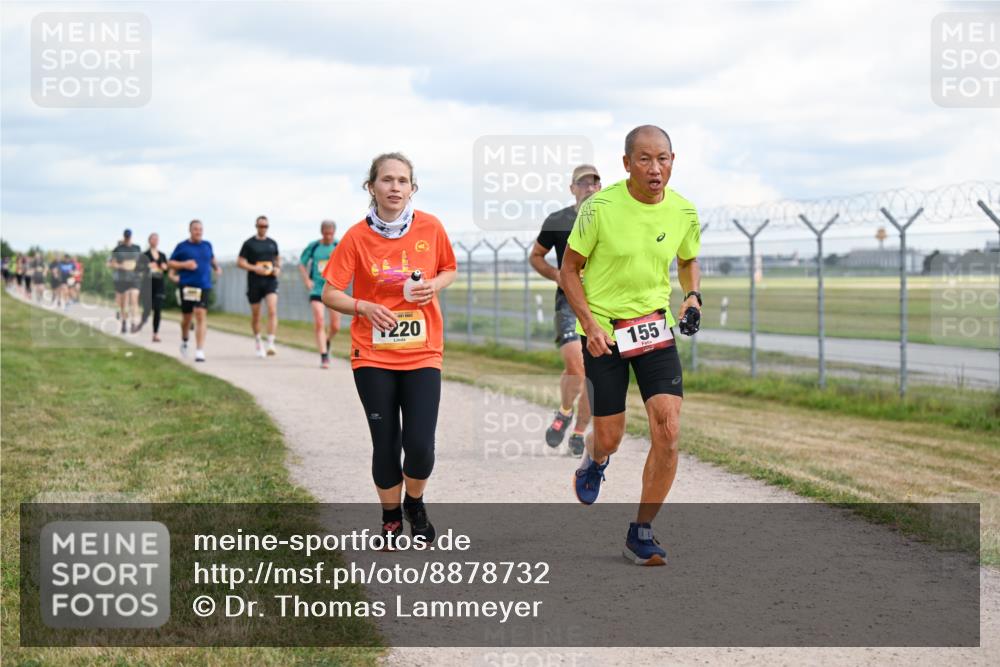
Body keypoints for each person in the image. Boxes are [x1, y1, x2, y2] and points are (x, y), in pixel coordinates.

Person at [560, 125, 702, 566]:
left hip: (655, 329)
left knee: (669, 429)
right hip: (604, 333)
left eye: (663, 158)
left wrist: (692, 295)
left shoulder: (684, 211)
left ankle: (641, 531)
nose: (655, 168)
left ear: (673, 161)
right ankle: (595, 460)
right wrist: (588, 324)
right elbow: (569, 270)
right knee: (610, 437)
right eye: (644, 159)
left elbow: (688, 258)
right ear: (626, 164)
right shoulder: (599, 209)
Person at [322, 152, 457, 543]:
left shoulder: (431, 228)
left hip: (423, 352)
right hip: (373, 354)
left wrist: (435, 285)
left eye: (402, 181)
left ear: (412, 188)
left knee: (419, 446)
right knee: (386, 442)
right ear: (371, 187)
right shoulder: (355, 237)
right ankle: (391, 516)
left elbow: (449, 268)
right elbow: (331, 292)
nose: (394, 187)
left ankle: (414, 500)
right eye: (386, 180)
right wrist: (363, 306)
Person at [530, 164, 601, 456]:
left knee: (594, 373)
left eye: (595, 183)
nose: (590, 188)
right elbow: (536, 256)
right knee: (576, 366)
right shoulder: (558, 220)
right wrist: (557, 275)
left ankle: (580, 430)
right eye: (583, 183)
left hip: (603, 305)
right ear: (572, 188)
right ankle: (565, 410)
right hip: (569, 302)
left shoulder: (611, 218)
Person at [169, 220, 221, 362]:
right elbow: (170, 262)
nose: (198, 232)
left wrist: (217, 268)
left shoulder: (207, 245)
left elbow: (212, 258)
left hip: (203, 285)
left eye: (200, 229)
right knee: (187, 319)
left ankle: (199, 350)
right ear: (190, 231)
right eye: (195, 229)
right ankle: (185, 340)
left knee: (200, 314)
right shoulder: (182, 246)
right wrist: (184, 264)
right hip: (187, 286)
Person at [237, 215, 281, 358]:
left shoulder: (272, 243)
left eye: (265, 226)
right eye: (261, 226)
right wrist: (255, 268)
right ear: (256, 226)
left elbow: (277, 258)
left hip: (270, 281)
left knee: (272, 309)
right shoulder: (249, 243)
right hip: (255, 281)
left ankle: (271, 343)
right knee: (256, 315)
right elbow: (240, 262)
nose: (263, 228)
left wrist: (277, 268)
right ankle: (258, 340)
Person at [299, 220, 341, 368]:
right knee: (319, 320)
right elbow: (301, 263)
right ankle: (324, 356)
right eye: (326, 233)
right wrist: (306, 280)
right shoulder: (314, 246)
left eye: (331, 234)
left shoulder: (338, 245)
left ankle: (327, 340)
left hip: (334, 289)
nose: (328, 236)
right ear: (321, 232)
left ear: (334, 233)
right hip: (316, 289)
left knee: (335, 326)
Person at [109, 229, 143, 333]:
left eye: (129, 236)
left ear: (131, 236)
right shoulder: (118, 249)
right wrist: (121, 266)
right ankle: (124, 322)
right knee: (124, 303)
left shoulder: (137, 248)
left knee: (134, 299)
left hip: (134, 278)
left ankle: (133, 323)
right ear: (124, 236)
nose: (127, 238)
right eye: (126, 236)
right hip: (122, 279)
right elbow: (112, 264)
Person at [138, 233, 169, 342]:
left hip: (159, 285)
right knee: (147, 309)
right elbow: (137, 269)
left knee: (158, 309)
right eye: (153, 239)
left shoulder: (162, 255)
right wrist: (147, 266)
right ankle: (142, 321)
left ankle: (155, 334)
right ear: (149, 240)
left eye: (157, 239)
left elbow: (166, 270)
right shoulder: (144, 255)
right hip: (147, 285)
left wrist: (165, 268)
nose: (155, 241)